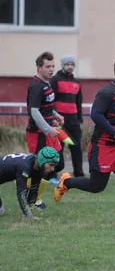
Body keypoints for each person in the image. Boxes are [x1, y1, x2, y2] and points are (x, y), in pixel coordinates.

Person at [53, 56, 115, 228]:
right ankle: (66, 182)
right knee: (97, 186)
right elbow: (95, 114)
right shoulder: (107, 91)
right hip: (104, 145)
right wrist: (114, 133)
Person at [26, 51, 65, 210]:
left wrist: (56, 115)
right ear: (39, 68)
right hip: (39, 134)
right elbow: (34, 112)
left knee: (57, 164)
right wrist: (49, 129)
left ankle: (33, 196)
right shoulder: (36, 86)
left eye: (53, 66)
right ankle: (33, 199)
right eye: (47, 66)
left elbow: (46, 107)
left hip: (49, 131)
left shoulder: (46, 83)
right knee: (41, 167)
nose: (51, 69)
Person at [0, 147, 60, 220]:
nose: (52, 169)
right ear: (42, 161)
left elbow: (34, 189)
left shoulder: (36, 165)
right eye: (51, 165)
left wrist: (30, 210)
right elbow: (21, 193)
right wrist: (29, 215)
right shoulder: (24, 166)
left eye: (54, 165)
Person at [50, 55, 85, 178]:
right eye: (67, 64)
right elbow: (50, 100)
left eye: (72, 64)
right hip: (60, 121)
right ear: (63, 65)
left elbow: (78, 102)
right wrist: (54, 118)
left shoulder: (77, 83)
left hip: (74, 120)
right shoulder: (55, 80)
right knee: (58, 148)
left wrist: (80, 119)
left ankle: (79, 174)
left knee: (76, 148)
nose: (70, 67)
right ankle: (53, 174)